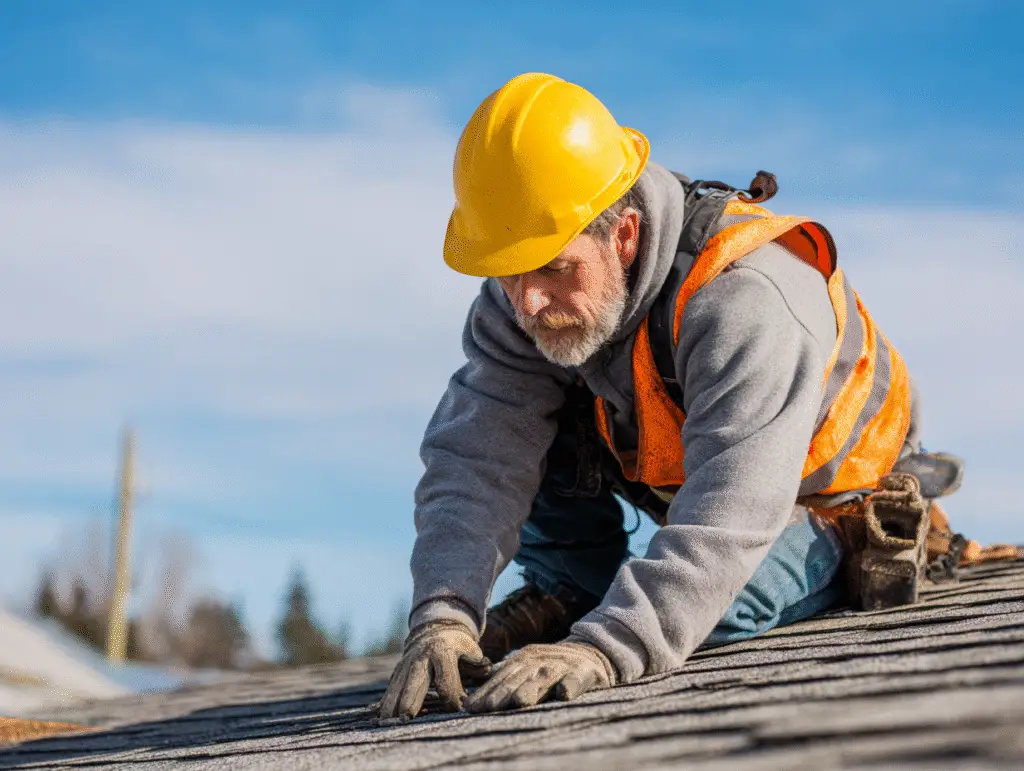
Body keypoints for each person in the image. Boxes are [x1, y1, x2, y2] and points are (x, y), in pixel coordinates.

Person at [376, 72, 967, 720]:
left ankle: (849, 550)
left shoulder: (745, 297)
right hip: (697, 474)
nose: (528, 301)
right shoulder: (525, 299)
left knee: (718, 605)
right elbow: (478, 452)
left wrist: (606, 648)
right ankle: (570, 589)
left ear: (623, 235)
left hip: (814, 492)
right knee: (527, 405)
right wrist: (444, 611)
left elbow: (730, 512)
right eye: (508, 272)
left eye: (553, 267)